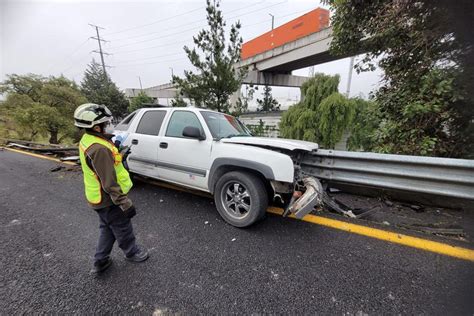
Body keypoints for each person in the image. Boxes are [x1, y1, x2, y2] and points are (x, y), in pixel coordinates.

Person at [74, 103, 148, 274]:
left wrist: (118, 156)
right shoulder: (99, 149)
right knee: (122, 227)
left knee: (107, 228)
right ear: (96, 127)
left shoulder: (90, 141)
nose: (109, 125)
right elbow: (108, 182)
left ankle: (100, 261)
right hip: (109, 199)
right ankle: (132, 252)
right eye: (106, 123)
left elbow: (102, 168)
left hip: (98, 198)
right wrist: (124, 203)